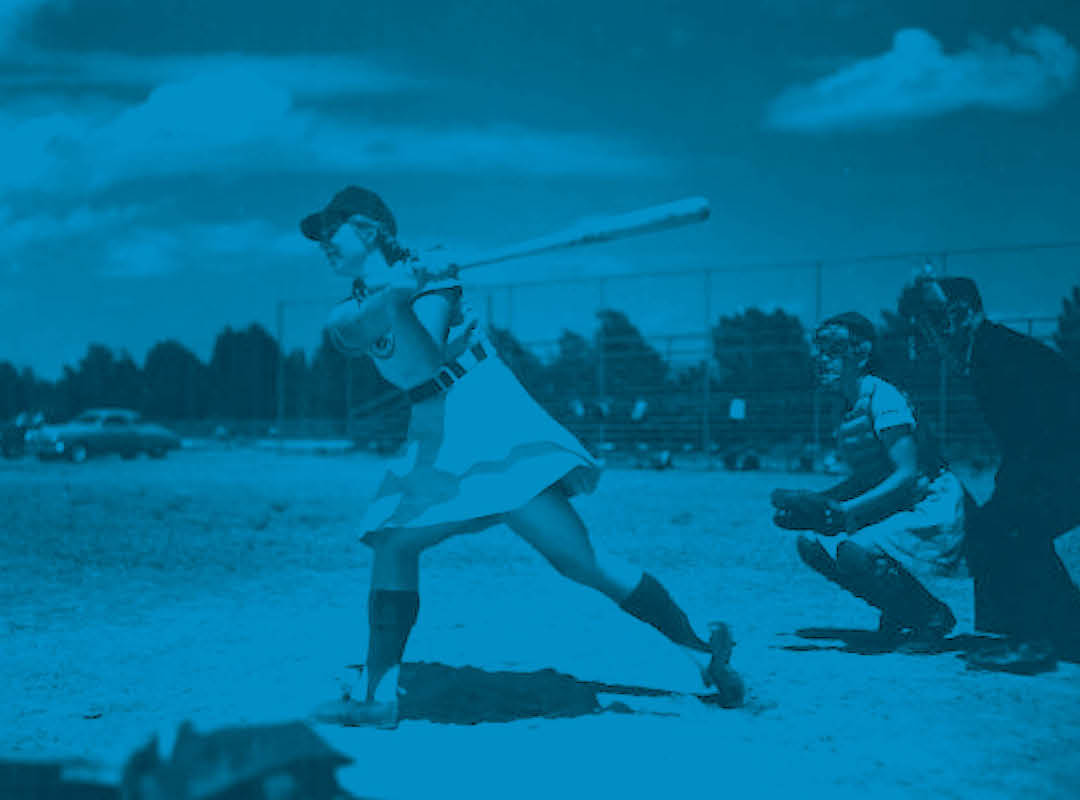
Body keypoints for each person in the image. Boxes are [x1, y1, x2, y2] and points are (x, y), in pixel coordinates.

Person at [299, 186, 744, 727]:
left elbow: (422, 362)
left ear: (368, 230)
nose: (322, 241)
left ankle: (701, 654)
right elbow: (345, 330)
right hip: (438, 429)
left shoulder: (431, 273)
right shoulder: (356, 302)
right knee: (404, 543)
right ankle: (378, 694)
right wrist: (389, 296)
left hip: (484, 414)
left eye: (331, 229)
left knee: (575, 561)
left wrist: (404, 295)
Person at [901, 275, 1080, 669]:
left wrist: (1010, 494)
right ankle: (1065, 630)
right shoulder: (989, 351)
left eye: (933, 320)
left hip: (1065, 459)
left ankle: (1032, 641)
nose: (929, 334)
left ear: (960, 314)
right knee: (1001, 522)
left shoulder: (996, 356)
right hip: (1059, 457)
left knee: (1011, 523)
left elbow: (1035, 437)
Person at [771, 312, 965, 649]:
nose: (821, 357)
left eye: (833, 348)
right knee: (812, 544)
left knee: (854, 551)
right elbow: (869, 475)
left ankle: (931, 617)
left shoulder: (883, 397)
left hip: (930, 499)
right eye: (819, 348)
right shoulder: (846, 406)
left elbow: (906, 473)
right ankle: (898, 611)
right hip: (896, 501)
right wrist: (816, 499)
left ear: (860, 354)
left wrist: (844, 509)